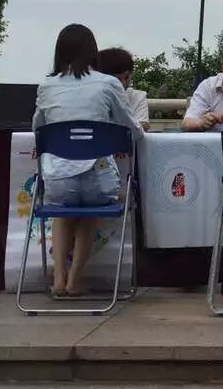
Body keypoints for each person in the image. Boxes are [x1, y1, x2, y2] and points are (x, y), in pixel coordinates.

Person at [34, 24, 145, 298]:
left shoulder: (46, 86)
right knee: (90, 208)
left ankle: (58, 278)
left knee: (62, 209)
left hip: (57, 181)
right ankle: (74, 280)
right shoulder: (108, 84)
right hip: (99, 181)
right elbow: (130, 130)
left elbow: (39, 129)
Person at [95, 47, 149, 130]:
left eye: (127, 77)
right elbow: (138, 128)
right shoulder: (93, 96)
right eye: (117, 79)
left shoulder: (138, 96)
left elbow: (143, 126)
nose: (123, 83)